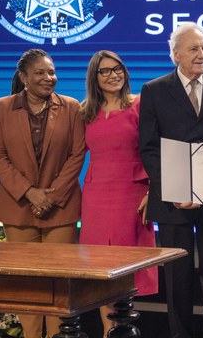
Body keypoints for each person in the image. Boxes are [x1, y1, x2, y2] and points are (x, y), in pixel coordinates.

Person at [138, 22, 203, 338]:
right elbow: (149, 147)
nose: (202, 54)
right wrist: (174, 188)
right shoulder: (154, 90)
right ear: (176, 54)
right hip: (173, 201)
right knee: (177, 277)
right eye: (194, 49)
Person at [0, 49, 85, 338]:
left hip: (61, 207)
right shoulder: (2, 108)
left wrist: (51, 196)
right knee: (26, 282)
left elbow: (77, 154)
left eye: (52, 72)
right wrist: (30, 192)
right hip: (18, 206)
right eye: (40, 72)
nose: (49, 77)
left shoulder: (71, 107)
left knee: (58, 282)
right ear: (24, 77)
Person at [79, 50, 158, 334]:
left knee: (126, 270)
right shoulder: (84, 110)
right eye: (105, 71)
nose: (113, 75)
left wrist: (154, 191)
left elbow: (153, 151)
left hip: (133, 195)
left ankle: (123, 330)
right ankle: (107, 332)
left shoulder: (140, 104)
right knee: (102, 273)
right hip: (96, 198)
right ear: (94, 77)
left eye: (118, 69)